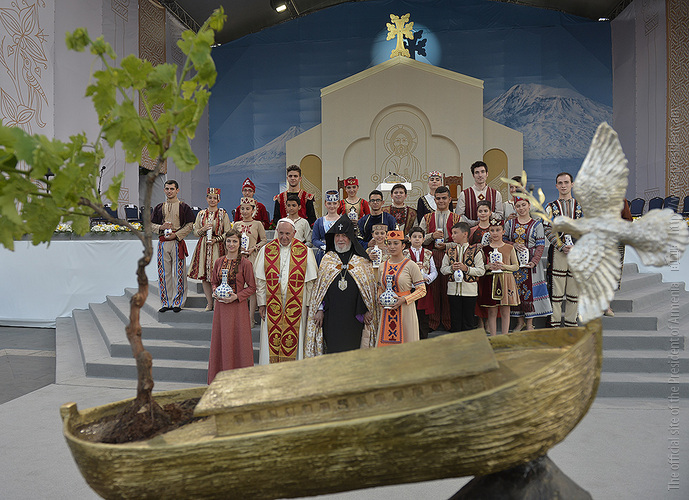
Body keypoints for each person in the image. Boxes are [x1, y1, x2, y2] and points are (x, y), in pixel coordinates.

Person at [304, 215, 379, 356]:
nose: (340, 239)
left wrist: (368, 310)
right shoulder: (328, 259)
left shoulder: (361, 260)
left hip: (354, 317)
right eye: (337, 236)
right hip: (332, 316)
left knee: (353, 352)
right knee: (333, 350)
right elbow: (320, 289)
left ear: (350, 237)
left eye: (344, 236)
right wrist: (319, 309)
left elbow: (368, 289)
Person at [255, 218, 318, 363]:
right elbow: (261, 280)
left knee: (295, 336)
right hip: (272, 301)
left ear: (294, 233)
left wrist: (309, 305)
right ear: (276, 232)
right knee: (270, 336)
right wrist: (261, 303)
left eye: (288, 234)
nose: (284, 237)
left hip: (297, 302)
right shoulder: (266, 250)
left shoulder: (305, 251)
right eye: (281, 233)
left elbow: (310, 283)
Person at [207, 230, 256, 383]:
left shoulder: (245, 263)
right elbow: (214, 282)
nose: (231, 244)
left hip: (238, 309)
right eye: (229, 241)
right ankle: (220, 377)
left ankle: (240, 379)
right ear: (225, 243)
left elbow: (252, 287)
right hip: (221, 309)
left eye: (235, 241)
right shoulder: (218, 262)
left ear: (240, 243)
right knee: (222, 340)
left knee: (238, 342)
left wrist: (237, 296)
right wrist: (215, 291)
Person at [504, 197, 552, 331]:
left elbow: (540, 245)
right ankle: (520, 322)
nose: (521, 208)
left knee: (530, 292)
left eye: (523, 205)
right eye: (518, 206)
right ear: (515, 208)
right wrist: (513, 244)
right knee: (516, 291)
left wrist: (534, 261)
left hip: (531, 263)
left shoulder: (537, 225)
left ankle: (530, 323)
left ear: (529, 205)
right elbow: (504, 239)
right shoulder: (510, 224)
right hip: (515, 262)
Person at [419, 186, 461, 331]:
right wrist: (432, 236)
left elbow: (462, 241)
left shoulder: (457, 218)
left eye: (444, 198)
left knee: (449, 289)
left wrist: (447, 245)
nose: (441, 201)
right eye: (438, 198)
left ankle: (449, 322)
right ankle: (433, 322)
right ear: (434, 200)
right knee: (433, 290)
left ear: (450, 199)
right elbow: (419, 239)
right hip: (431, 256)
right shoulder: (426, 218)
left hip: (451, 257)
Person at [544, 172, 583, 328]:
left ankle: (571, 323)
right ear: (556, 186)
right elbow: (547, 228)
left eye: (566, 182)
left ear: (572, 184)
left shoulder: (582, 206)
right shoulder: (550, 207)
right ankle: (554, 324)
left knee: (574, 292)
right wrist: (561, 245)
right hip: (558, 252)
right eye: (560, 183)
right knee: (556, 291)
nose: (563, 185)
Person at [151, 180, 195, 312]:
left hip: (177, 242)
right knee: (164, 273)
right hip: (163, 242)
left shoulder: (184, 207)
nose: (169, 191)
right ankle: (166, 302)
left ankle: (178, 302)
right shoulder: (159, 207)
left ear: (177, 190)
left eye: (172, 189)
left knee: (179, 272)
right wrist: (161, 227)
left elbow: (190, 225)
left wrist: (176, 235)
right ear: (164, 190)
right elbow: (150, 225)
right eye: (167, 189)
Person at [376, 230, 427, 345]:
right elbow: (380, 287)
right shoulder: (382, 266)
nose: (392, 247)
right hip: (387, 309)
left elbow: (422, 290)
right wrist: (379, 298)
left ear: (403, 245)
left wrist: (404, 299)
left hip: (405, 310)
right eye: (389, 243)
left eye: (396, 243)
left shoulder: (411, 265)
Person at [188, 187, 232, 311]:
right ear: (206, 199)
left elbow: (228, 232)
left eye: (214, 198)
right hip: (203, 247)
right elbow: (195, 232)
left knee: (218, 275)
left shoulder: (223, 214)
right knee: (205, 276)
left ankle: (218, 302)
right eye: (210, 198)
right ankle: (209, 302)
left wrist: (216, 240)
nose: (212, 200)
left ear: (219, 200)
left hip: (218, 247)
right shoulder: (201, 214)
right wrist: (203, 229)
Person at [440, 222, 485, 332]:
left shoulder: (475, 251)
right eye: (452, 233)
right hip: (453, 291)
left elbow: (481, 271)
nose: (452, 236)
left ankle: (468, 341)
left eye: (455, 233)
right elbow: (443, 269)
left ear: (465, 234)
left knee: (468, 321)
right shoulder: (449, 251)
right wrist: (451, 268)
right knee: (455, 321)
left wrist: (466, 269)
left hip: (469, 291)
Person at [478, 218, 520, 336]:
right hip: (491, 280)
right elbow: (481, 267)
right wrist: (488, 266)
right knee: (492, 311)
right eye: (492, 230)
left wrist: (504, 266)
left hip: (506, 280)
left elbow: (516, 266)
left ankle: (505, 336)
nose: (495, 233)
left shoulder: (509, 248)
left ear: (503, 232)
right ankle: (493, 337)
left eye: (498, 230)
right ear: (489, 232)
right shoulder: (485, 249)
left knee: (505, 310)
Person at [233, 197, 267, 326]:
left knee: (252, 288)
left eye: (248, 209)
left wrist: (254, 248)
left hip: (253, 257)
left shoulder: (258, 224)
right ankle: (240, 318)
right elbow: (232, 239)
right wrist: (238, 248)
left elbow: (264, 240)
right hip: (239, 258)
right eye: (242, 208)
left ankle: (251, 317)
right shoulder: (237, 224)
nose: (245, 211)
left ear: (253, 210)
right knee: (239, 287)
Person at [406, 226, 436, 339]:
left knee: (423, 316)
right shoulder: (404, 253)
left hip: (423, 287)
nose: (417, 239)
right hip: (410, 288)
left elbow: (434, 271)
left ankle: (423, 338)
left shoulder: (428, 253)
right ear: (409, 239)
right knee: (410, 314)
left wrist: (427, 278)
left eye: (420, 237)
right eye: (414, 237)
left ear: (423, 239)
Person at [456, 161, 503, 226]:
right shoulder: (464, 194)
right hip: (470, 230)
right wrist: (474, 223)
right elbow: (459, 217)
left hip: (490, 230)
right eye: (477, 172)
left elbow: (500, 216)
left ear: (487, 174)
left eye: (482, 172)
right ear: (473, 175)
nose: (480, 175)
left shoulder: (496, 194)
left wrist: (489, 214)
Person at [312, 190, 341, 265]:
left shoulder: (344, 221)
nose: (332, 206)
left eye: (334, 203)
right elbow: (314, 239)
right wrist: (323, 246)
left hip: (340, 253)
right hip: (323, 254)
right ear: (325, 204)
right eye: (329, 203)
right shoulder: (319, 221)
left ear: (338, 204)